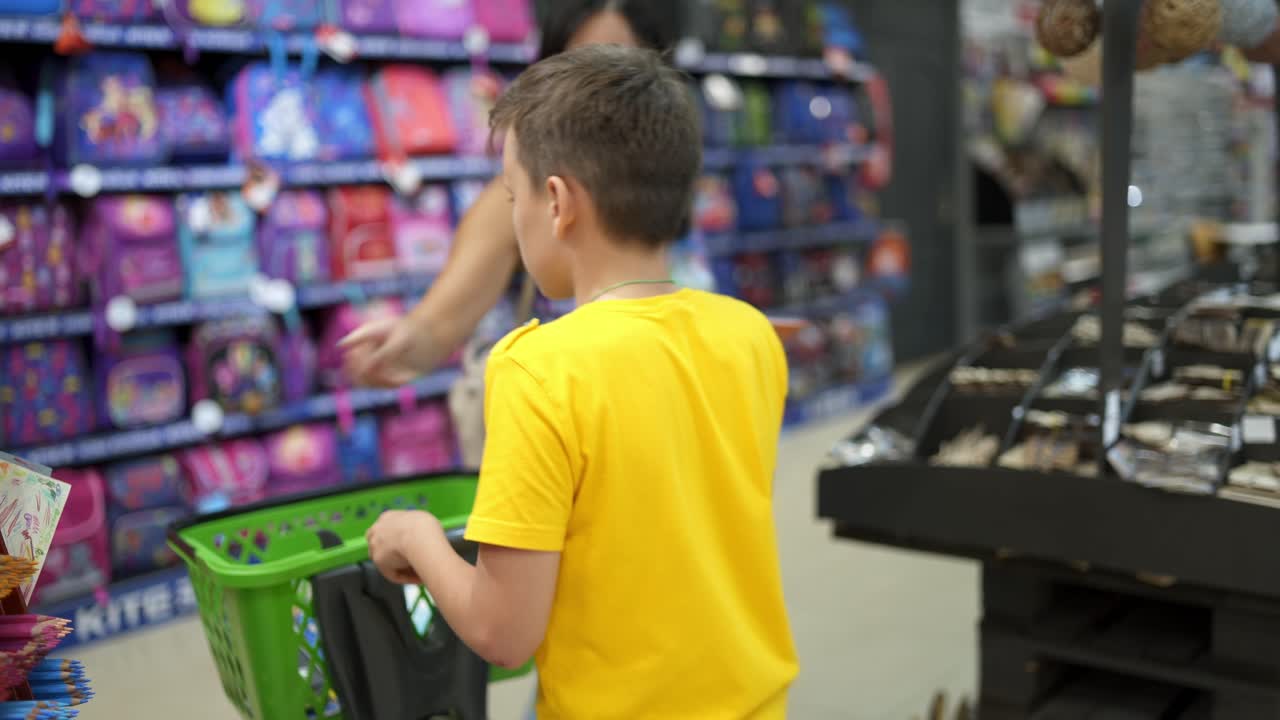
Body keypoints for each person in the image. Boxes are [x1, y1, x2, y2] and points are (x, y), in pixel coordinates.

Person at [364, 45, 799, 719]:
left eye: (514, 197)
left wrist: (414, 537)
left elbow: (502, 631)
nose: (514, 217)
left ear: (559, 203)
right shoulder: (749, 335)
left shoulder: (540, 369)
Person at [341, 0, 680, 388]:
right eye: (579, 66)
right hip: (560, 426)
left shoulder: (672, 177)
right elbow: (441, 320)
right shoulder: (527, 196)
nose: (596, 94)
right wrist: (407, 342)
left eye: (617, 68)